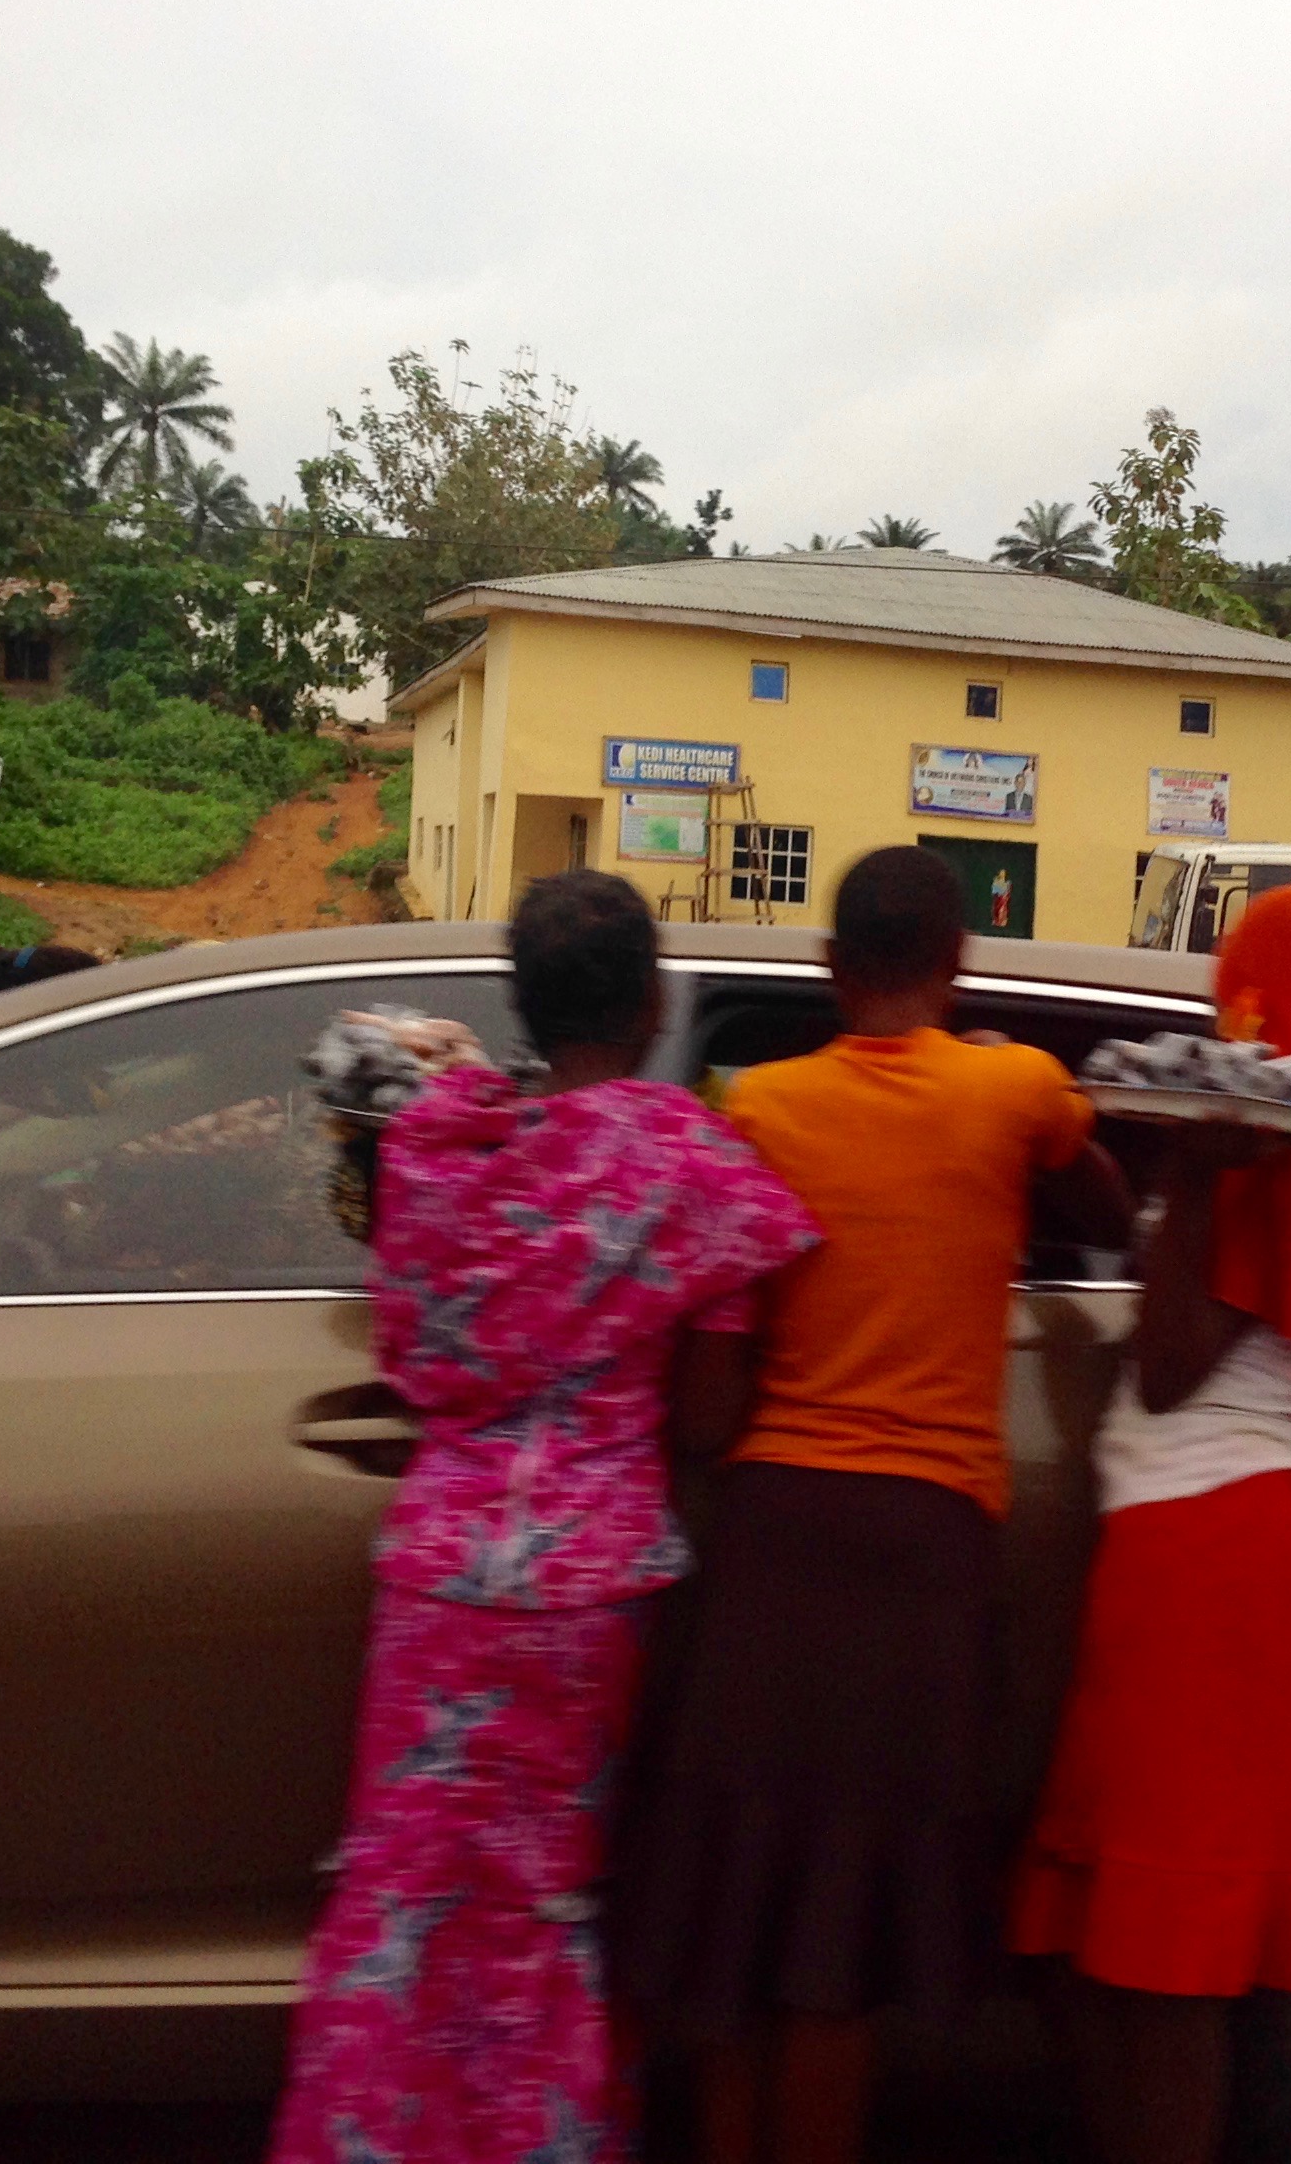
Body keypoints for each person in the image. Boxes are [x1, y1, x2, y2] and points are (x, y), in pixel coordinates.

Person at [268, 871, 817, 2164]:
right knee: (541, 1903)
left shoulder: (436, 1151)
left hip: (437, 1581)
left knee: (407, 1898)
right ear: (655, 1004)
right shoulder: (693, 1167)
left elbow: (403, 1323)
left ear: (524, 1003)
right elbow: (708, 1422)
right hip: (586, 1593)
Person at [617, 844, 1129, 2164]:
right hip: (924, 1549)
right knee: (833, 1937)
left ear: (830, 969)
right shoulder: (1016, 1088)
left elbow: (714, 1357)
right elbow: (1107, 1214)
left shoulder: (757, 1106)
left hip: (772, 1533)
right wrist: (1030, 1112)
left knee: (737, 1904)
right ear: (958, 964)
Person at [1006, 886, 1291, 2164]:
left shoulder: (1287, 1142)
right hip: (1228, 1537)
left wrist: (1194, 1174)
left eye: (1240, 979)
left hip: (1204, 1549)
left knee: (1164, 1949)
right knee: (1104, 1925)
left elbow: (1171, 1368)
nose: (1225, 1008)